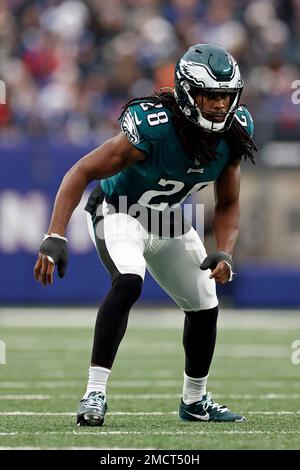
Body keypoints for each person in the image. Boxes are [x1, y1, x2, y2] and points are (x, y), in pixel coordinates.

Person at [34, 43, 257, 426]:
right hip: (120, 209)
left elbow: (228, 202)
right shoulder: (154, 127)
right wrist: (56, 234)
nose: (220, 106)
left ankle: (195, 401)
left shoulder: (234, 132)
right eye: (210, 96)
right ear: (188, 92)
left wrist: (225, 251)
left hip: (169, 217)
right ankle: (94, 392)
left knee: (205, 303)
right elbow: (82, 171)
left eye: (226, 97)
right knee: (129, 280)